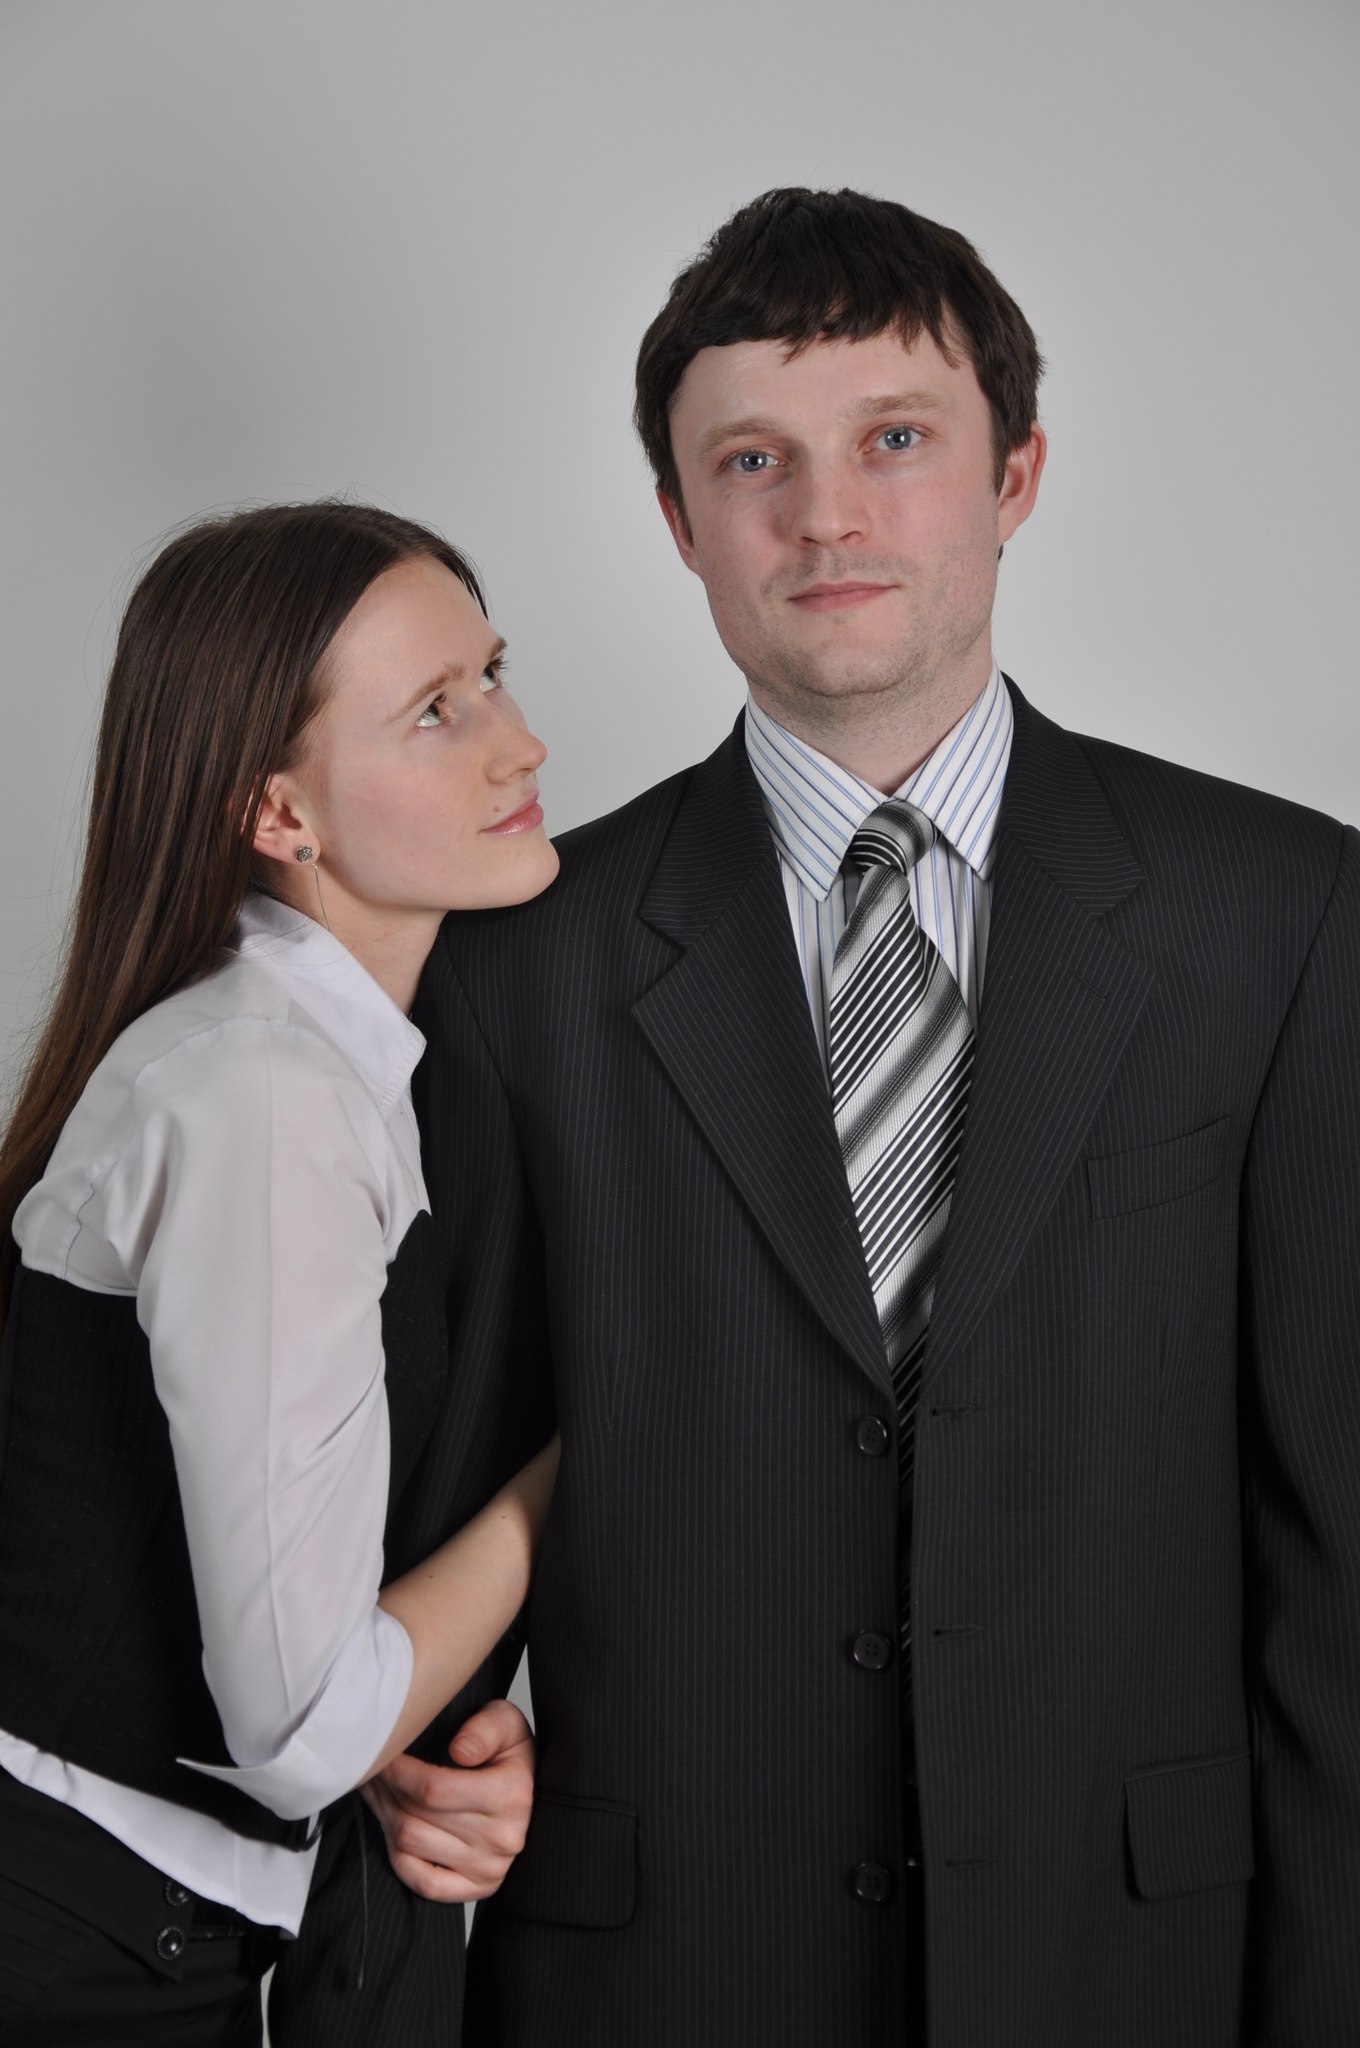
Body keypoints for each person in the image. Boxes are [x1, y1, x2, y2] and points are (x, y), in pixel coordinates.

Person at [356, 189, 1358, 2045]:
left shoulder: (1280, 917)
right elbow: (418, 1532)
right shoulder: (514, 963)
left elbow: (1337, 1561)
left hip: (1135, 1966)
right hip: (658, 1971)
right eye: (755, 461)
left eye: (896, 440)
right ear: (680, 523)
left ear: (1016, 475)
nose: (825, 515)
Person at [0, 500, 558, 2045]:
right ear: (277, 814)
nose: (517, 742)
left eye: (493, 675)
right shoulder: (266, 1095)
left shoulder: (328, 1069)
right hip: (65, 1940)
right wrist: (570, 1482)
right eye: (435, 711)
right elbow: (306, 1727)